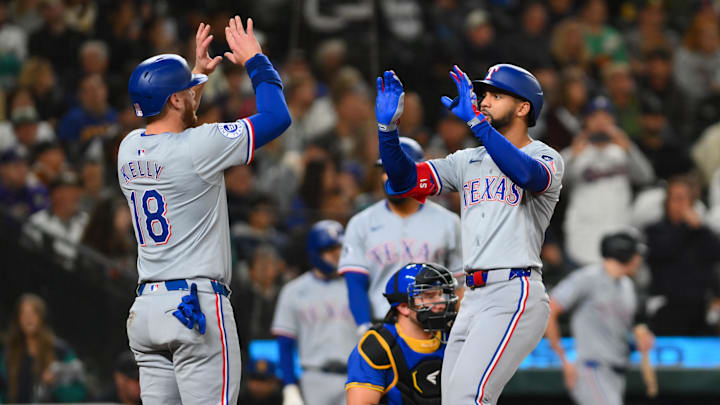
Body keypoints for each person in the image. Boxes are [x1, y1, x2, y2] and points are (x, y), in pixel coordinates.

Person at [120, 17, 291, 405]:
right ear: (177, 99)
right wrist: (256, 61)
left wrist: (196, 73)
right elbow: (277, 118)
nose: (196, 93)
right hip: (195, 306)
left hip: (147, 310)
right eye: (189, 90)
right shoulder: (199, 146)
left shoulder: (127, 148)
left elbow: (174, 120)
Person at [375, 64, 564, 404]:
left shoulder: (545, 155)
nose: (484, 101)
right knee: (454, 400)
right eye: (483, 94)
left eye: (496, 94)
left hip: (513, 290)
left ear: (523, 108)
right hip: (473, 298)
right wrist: (387, 131)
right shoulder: (467, 160)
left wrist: (477, 124)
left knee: (467, 397)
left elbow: (527, 175)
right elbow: (403, 182)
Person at [339, 136, 462, 331]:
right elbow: (355, 283)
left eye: (399, 170)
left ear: (417, 172)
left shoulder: (449, 222)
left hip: (435, 323)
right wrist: (364, 327)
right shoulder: (361, 223)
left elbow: (460, 283)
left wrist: (455, 326)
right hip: (382, 323)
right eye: (387, 170)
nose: (391, 177)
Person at [546, 232, 656, 405]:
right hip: (591, 369)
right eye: (636, 254)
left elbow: (618, 333)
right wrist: (563, 359)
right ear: (623, 253)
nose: (638, 260)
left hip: (617, 373)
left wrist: (639, 341)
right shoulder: (588, 278)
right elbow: (550, 308)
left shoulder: (627, 285)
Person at [345, 263, 457, 405]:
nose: (441, 302)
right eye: (429, 296)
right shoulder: (378, 346)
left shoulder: (452, 336)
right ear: (403, 307)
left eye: (441, 294)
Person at [271, 220, 357, 405]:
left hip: (355, 376)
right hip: (314, 377)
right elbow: (285, 343)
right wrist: (289, 386)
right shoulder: (294, 290)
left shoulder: (357, 287)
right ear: (315, 252)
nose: (337, 254)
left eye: (339, 248)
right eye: (330, 249)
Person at [0, 294, 87, 403]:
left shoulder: (59, 350)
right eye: (23, 313)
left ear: (41, 317)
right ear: (18, 319)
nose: (28, 318)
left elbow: (79, 392)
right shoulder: (9, 352)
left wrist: (55, 384)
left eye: (33, 313)